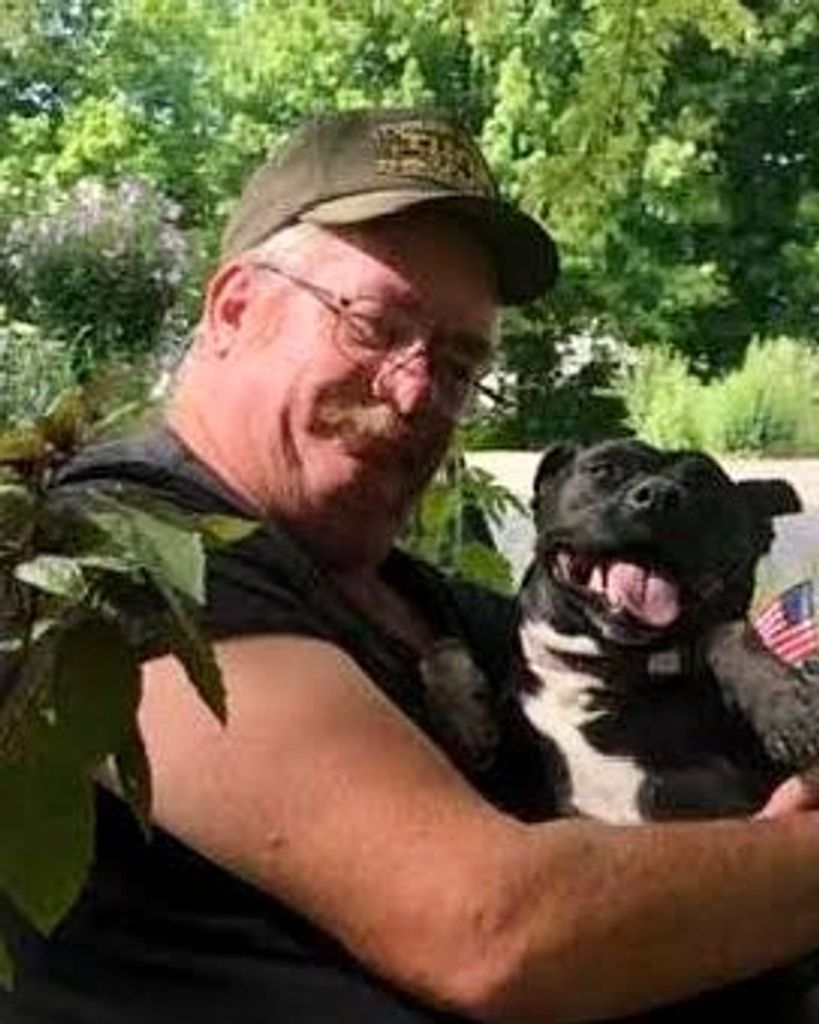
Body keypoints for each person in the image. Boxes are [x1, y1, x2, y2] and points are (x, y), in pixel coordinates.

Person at [5, 107, 819, 1024]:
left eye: (460, 361)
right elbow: (493, 928)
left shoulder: (418, 602)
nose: (415, 389)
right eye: (373, 324)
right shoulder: (113, 550)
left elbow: (669, 672)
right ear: (235, 308)